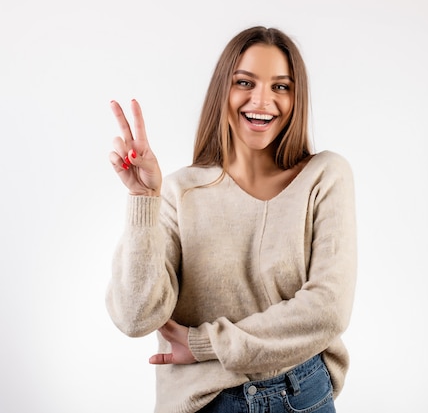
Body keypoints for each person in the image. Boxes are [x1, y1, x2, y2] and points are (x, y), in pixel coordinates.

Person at [106, 26, 357, 413]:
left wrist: (206, 344)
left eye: (281, 86)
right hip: (201, 403)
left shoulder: (324, 176)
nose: (263, 100)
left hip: (298, 394)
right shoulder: (178, 192)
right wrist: (143, 200)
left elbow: (327, 309)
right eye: (245, 82)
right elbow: (135, 318)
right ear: (223, 89)